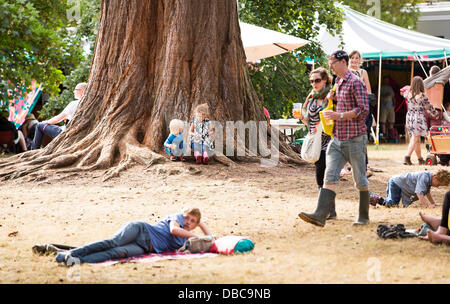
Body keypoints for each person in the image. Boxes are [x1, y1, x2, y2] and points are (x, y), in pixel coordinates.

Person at [298, 50, 370, 227]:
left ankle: (363, 215)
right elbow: (336, 101)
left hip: (355, 138)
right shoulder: (338, 82)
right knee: (329, 175)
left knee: (360, 179)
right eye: (329, 61)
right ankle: (321, 215)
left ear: (343, 62)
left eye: (333, 61)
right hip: (337, 139)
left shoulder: (356, 83)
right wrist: (331, 99)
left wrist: (340, 116)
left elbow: (363, 110)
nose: (330, 64)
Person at [56, 207, 212, 266]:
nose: (188, 222)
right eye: (188, 218)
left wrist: (201, 224)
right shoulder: (177, 218)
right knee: (112, 243)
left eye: (193, 221)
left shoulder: (186, 239)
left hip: (144, 248)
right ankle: (69, 253)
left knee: (116, 253)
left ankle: (76, 261)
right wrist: (195, 232)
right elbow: (173, 230)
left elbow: (210, 239)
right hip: (141, 230)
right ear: (184, 215)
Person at [294, 68, 334, 200]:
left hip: (329, 140)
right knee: (319, 174)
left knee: (324, 172)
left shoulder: (331, 97)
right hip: (315, 140)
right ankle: (328, 208)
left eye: (317, 80)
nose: (314, 84)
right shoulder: (311, 98)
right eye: (311, 81)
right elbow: (309, 122)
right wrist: (301, 117)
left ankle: (325, 207)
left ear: (325, 80)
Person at [31, 83, 87, 150]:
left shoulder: (74, 103)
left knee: (39, 125)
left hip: (65, 133)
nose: (73, 91)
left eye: (76, 89)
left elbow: (59, 118)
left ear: (82, 91)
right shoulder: (90, 104)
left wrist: (46, 122)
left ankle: (34, 150)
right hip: (80, 134)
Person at [404, 76, 440, 165]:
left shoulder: (407, 93)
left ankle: (420, 159)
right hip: (418, 117)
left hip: (409, 116)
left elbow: (404, 93)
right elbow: (429, 107)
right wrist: (435, 114)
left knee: (417, 139)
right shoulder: (422, 95)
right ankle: (407, 157)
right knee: (415, 138)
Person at [370, 169, 450, 208]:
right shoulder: (424, 177)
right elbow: (419, 193)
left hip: (398, 184)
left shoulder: (429, 180)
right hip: (396, 183)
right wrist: (427, 206)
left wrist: (433, 203)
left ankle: (375, 199)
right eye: (439, 184)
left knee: (393, 204)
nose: (438, 186)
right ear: (435, 178)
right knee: (392, 204)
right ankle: (373, 197)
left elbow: (427, 193)